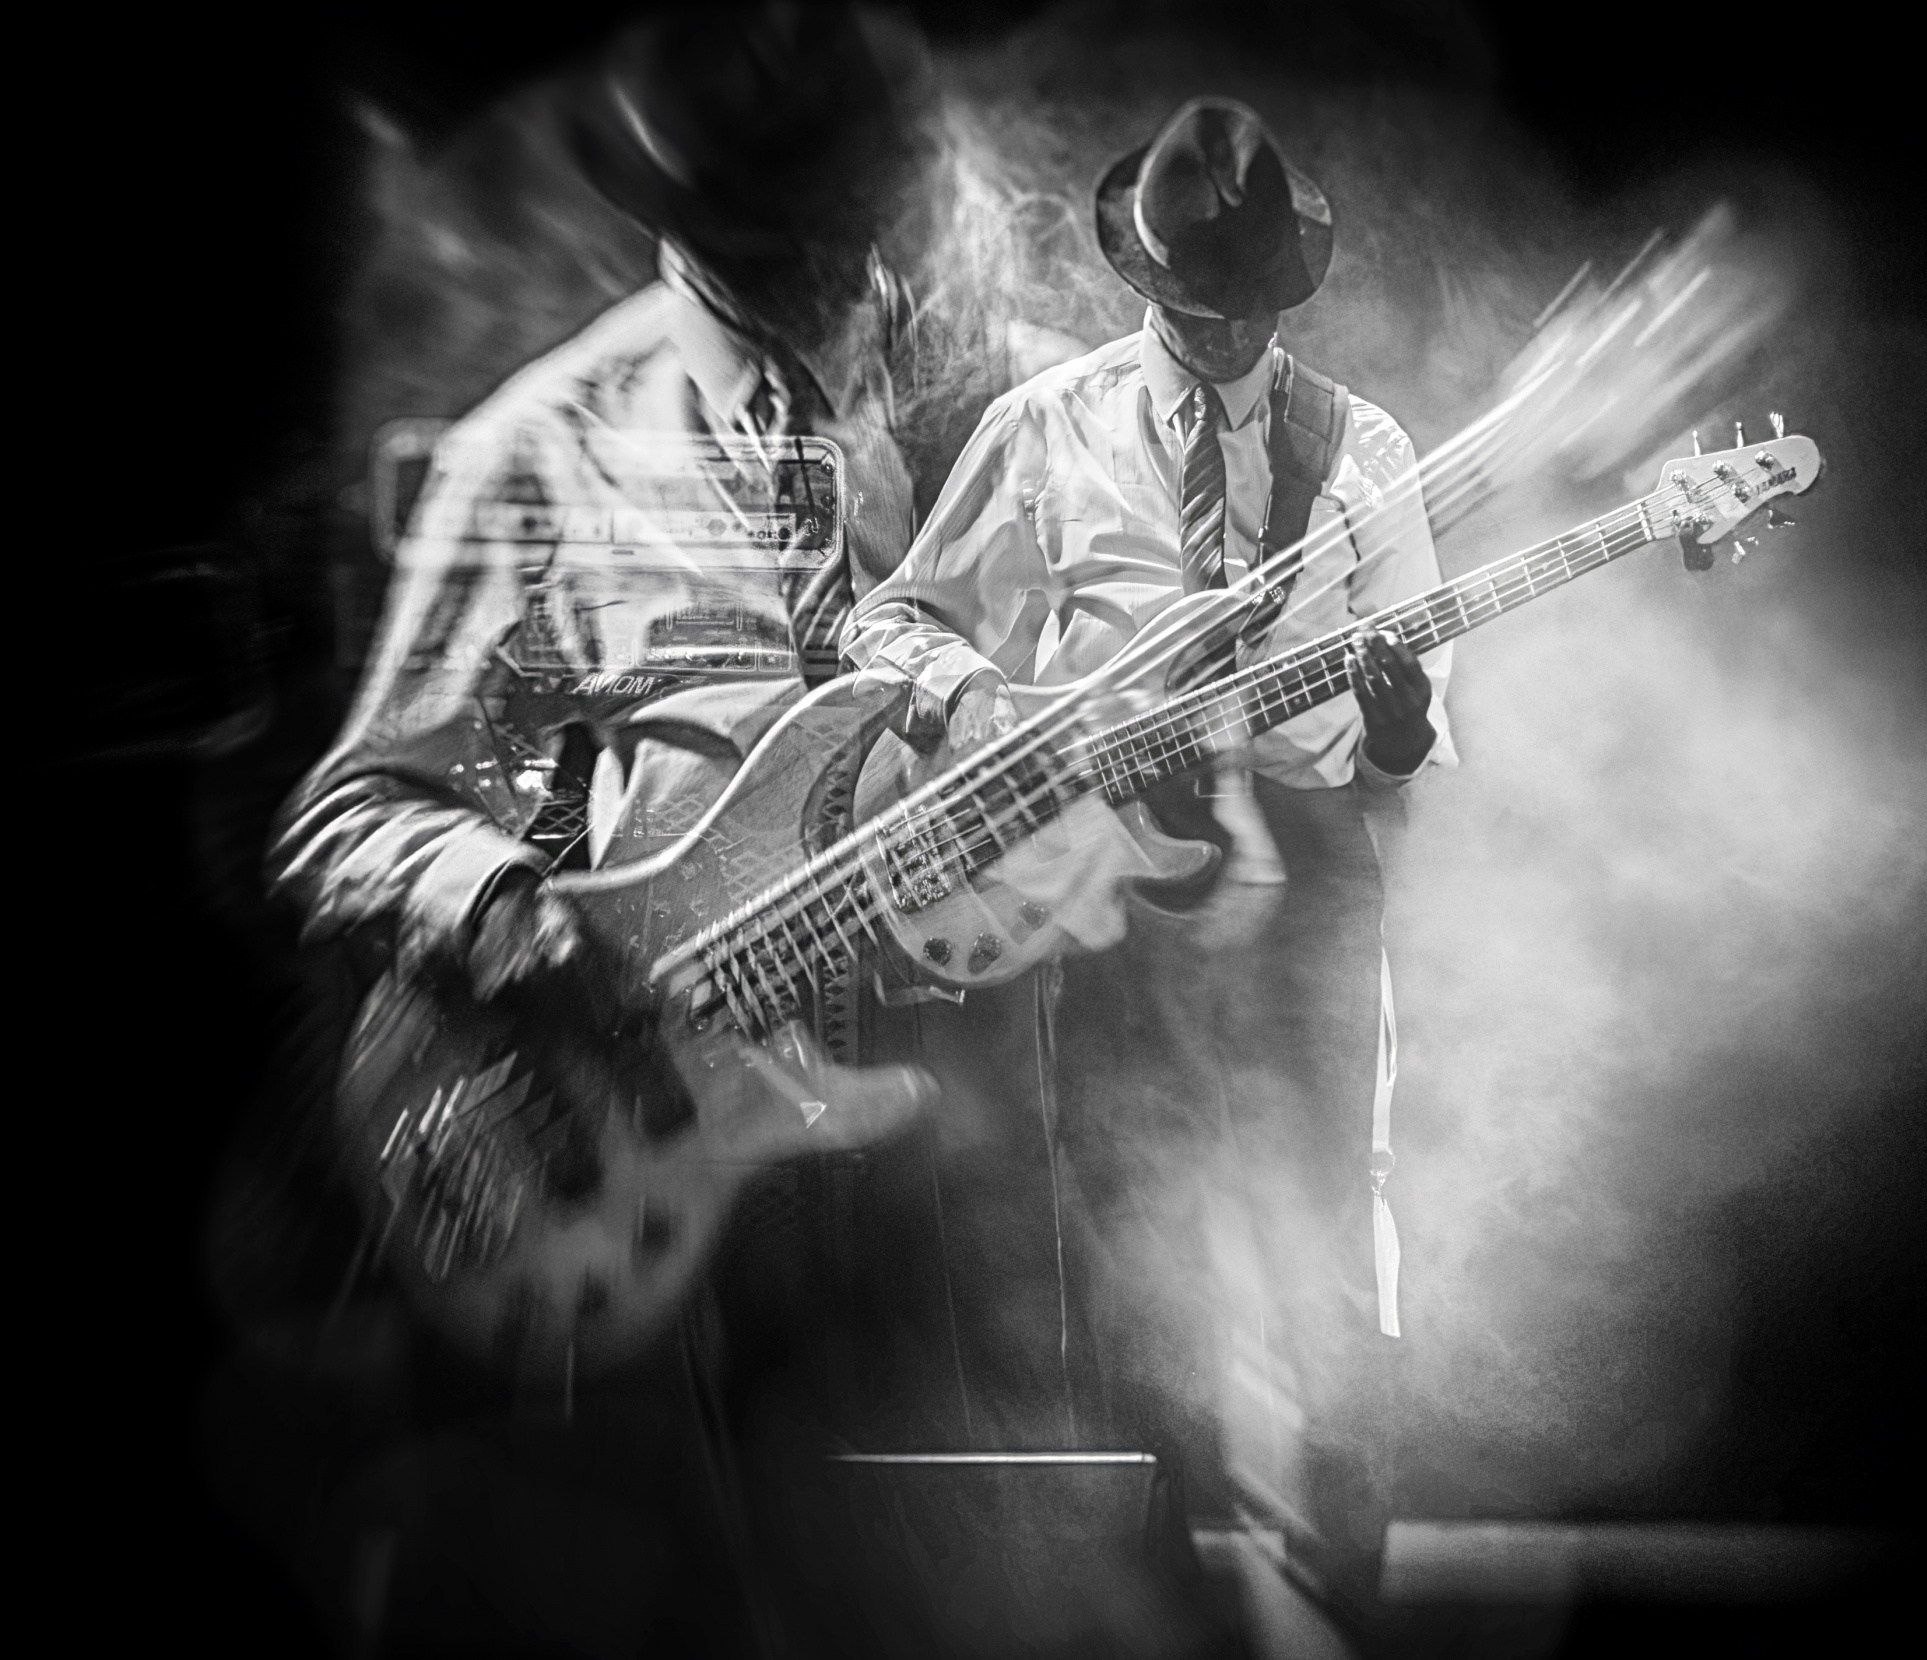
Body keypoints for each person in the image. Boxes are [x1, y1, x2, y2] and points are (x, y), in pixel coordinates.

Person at [243, 8, 948, 1649]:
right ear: (692, 224)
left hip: (899, 1131)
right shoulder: (538, 453)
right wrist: (510, 919)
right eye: (787, 236)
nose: (839, 271)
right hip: (644, 1126)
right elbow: (348, 811)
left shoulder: (933, 419)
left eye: (855, 222)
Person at [840, 94, 1456, 1602]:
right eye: (1194, 302)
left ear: (1284, 290)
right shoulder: (1047, 427)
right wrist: (982, 701)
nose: (1220, 331)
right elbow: (890, 619)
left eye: (1245, 305)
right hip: (1109, 854)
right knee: (1118, 1193)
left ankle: (1344, 1516)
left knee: (1330, 1186)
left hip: (1306, 849)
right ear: (1143, 276)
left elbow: (1415, 750)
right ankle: (1154, 1527)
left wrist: (1392, 726)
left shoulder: (1364, 450)